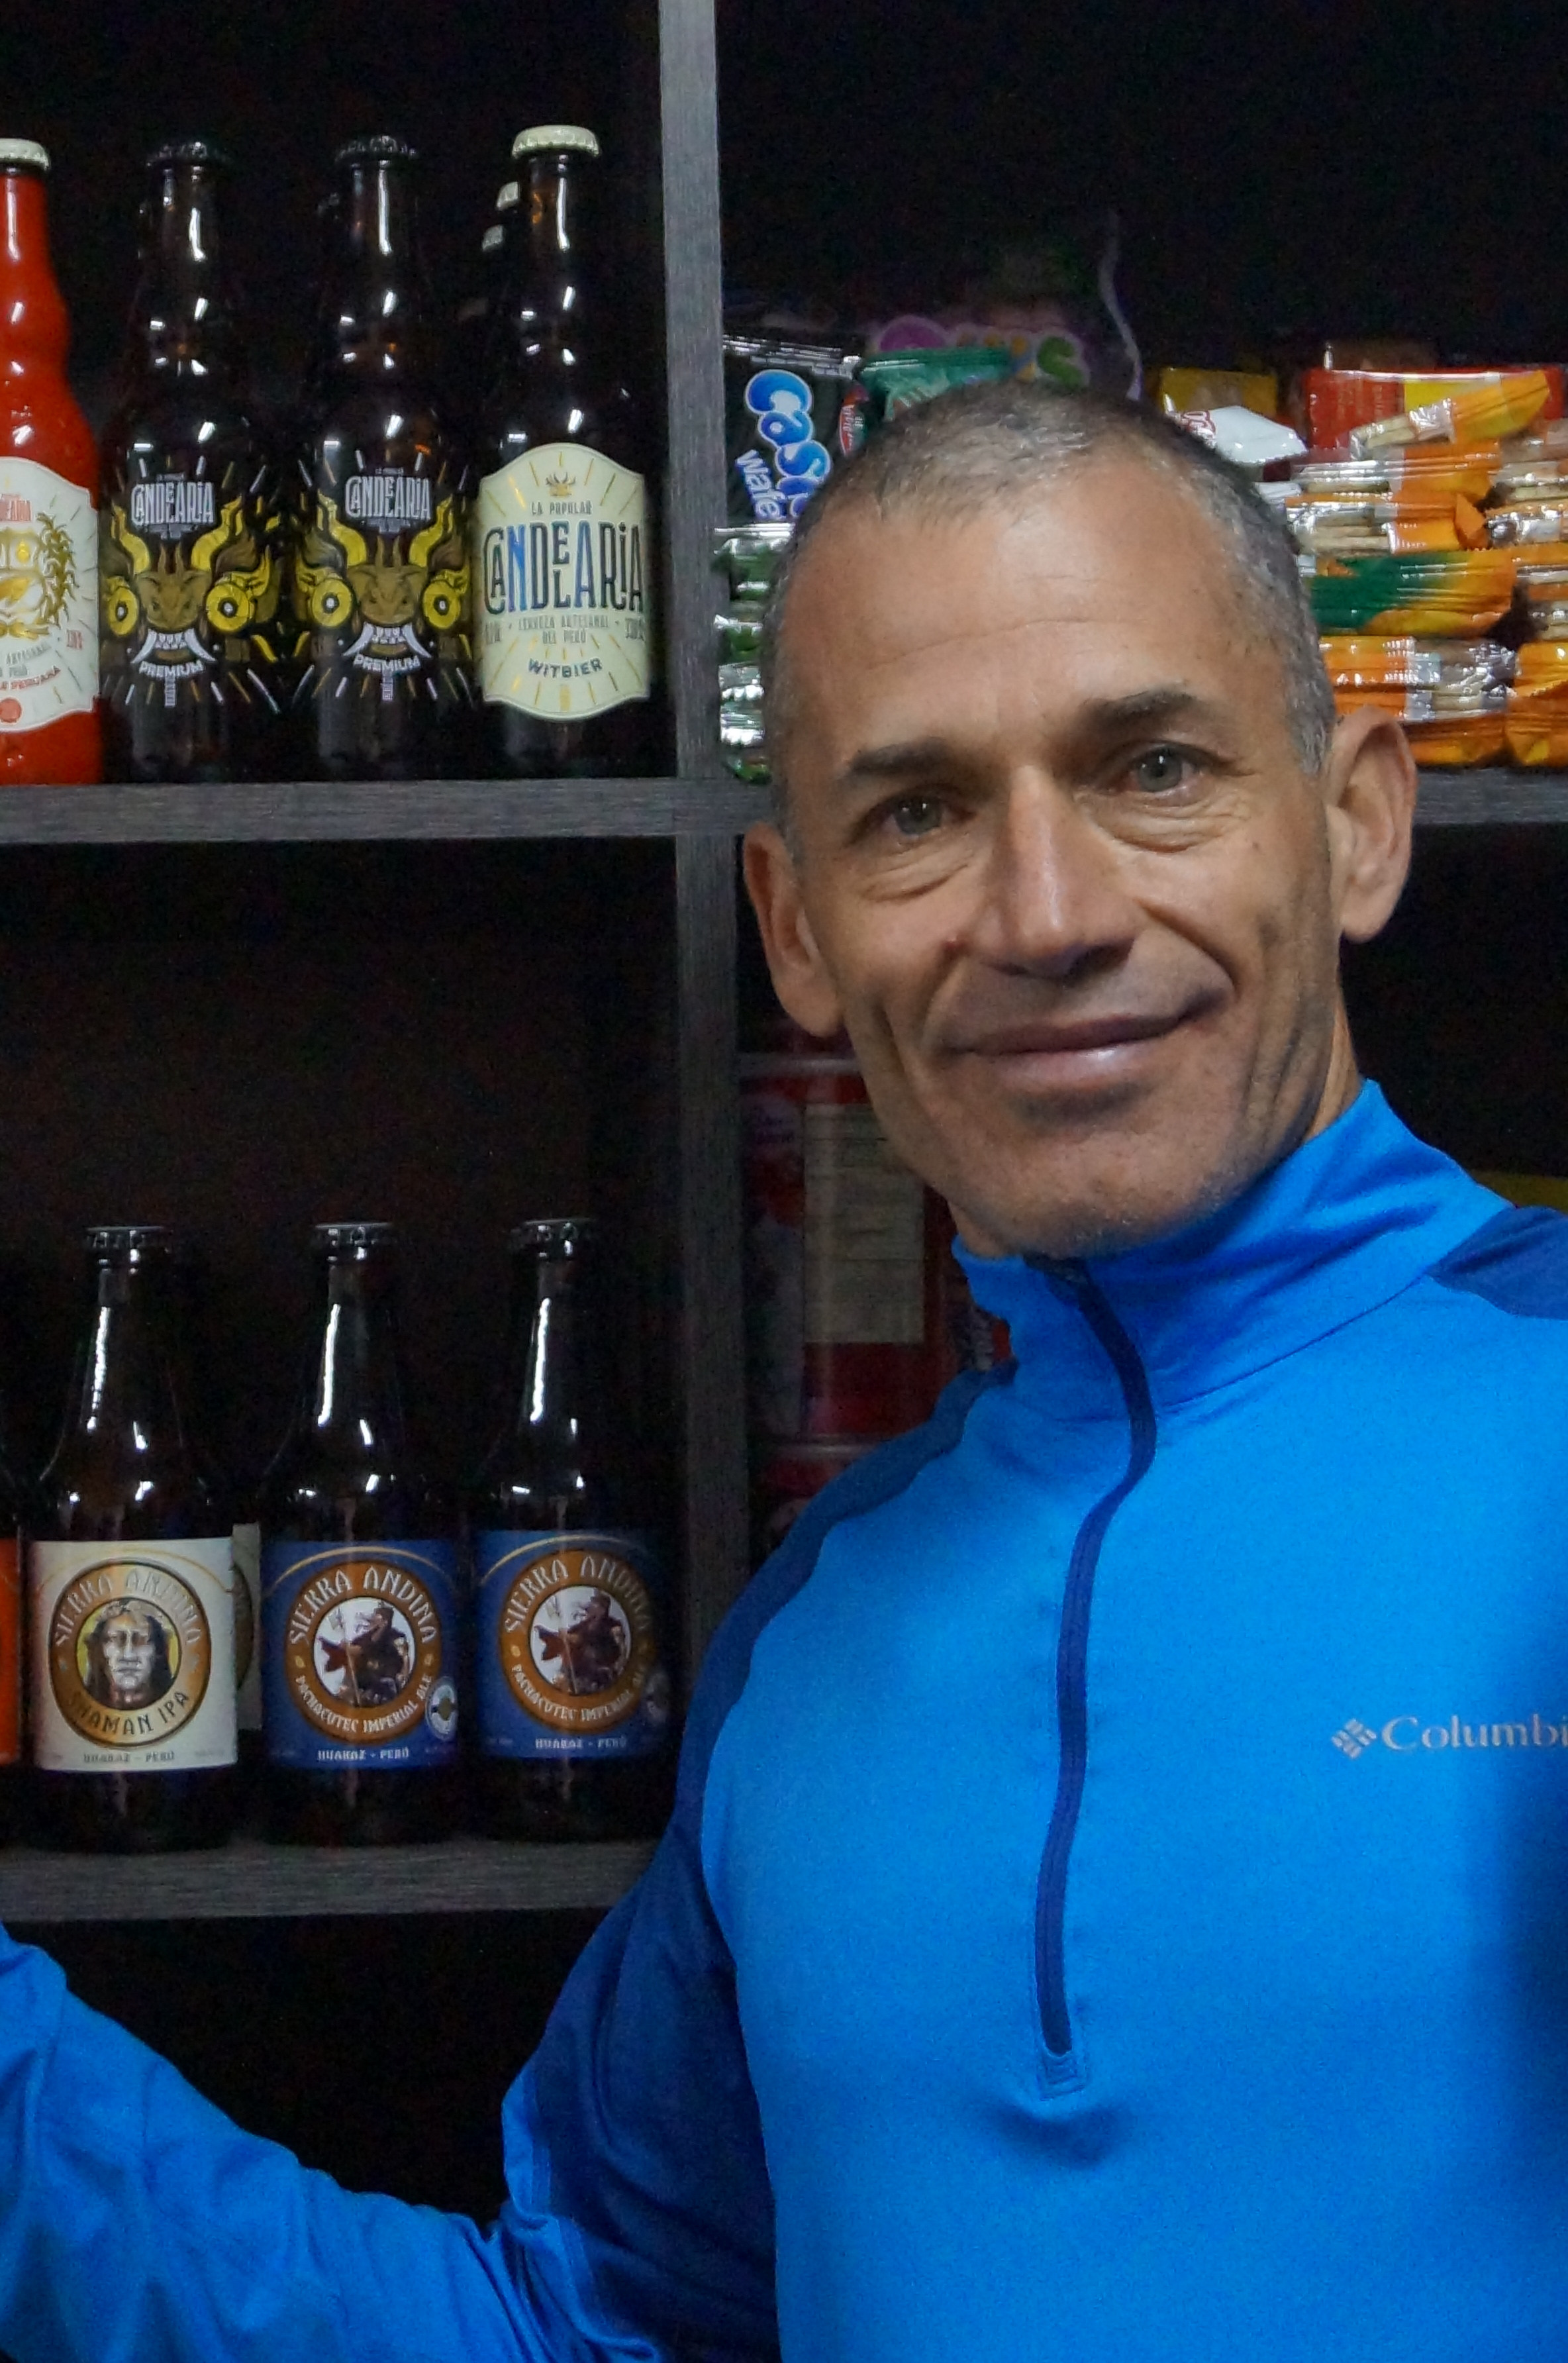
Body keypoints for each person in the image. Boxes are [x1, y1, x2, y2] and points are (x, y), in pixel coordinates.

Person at [2, 379, 1565, 2362]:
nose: (1049, 914)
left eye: (1155, 769)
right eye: (916, 813)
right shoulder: (822, 1621)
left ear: (1355, 824)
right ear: (798, 927)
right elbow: (601, 2336)